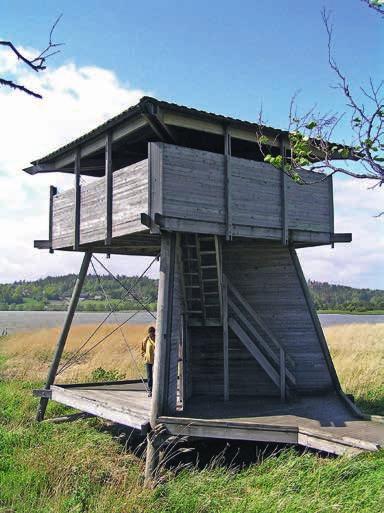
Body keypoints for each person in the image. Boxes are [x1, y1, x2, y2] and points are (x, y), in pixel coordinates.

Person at [141, 326, 156, 397]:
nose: (152, 335)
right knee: (149, 376)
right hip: (148, 361)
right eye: (150, 333)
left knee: (156, 375)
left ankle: (156, 390)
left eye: (153, 333)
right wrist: (145, 356)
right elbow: (142, 350)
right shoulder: (145, 340)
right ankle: (150, 390)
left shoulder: (157, 339)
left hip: (156, 361)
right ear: (148, 333)